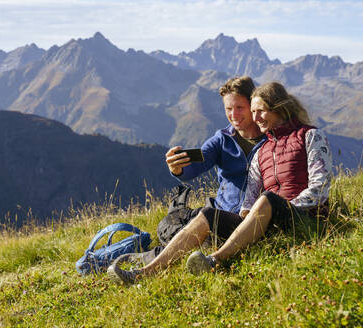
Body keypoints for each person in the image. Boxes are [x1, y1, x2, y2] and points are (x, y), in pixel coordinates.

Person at [108, 82, 332, 284]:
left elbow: (320, 187)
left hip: (304, 218)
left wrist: (284, 206)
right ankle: (145, 272)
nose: (255, 117)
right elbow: (249, 198)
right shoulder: (256, 149)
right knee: (206, 214)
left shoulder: (309, 136)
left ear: (279, 107)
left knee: (267, 199)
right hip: (264, 221)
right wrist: (179, 169)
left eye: (259, 110)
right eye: (253, 112)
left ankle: (213, 261)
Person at [158, 76, 265, 245]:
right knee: (168, 225)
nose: (233, 114)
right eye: (228, 108)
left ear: (252, 105)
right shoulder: (222, 139)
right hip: (221, 213)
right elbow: (196, 165)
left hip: (254, 219)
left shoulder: (271, 139)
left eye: (239, 107)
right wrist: (177, 168)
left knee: (193, 235)